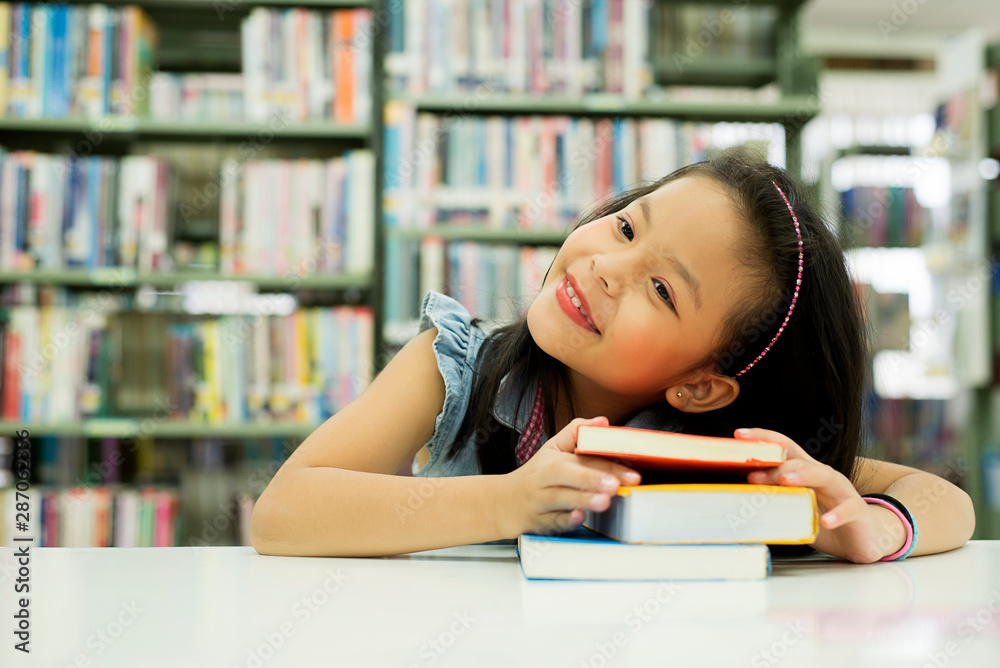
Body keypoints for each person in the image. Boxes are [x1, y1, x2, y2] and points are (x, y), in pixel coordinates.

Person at [250, 149, 975, 562]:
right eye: (627, 229)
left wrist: (878, 526)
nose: (605, 267)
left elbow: (949, 502)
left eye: (660, 289)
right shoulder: (455, 367)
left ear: (700, 387)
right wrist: (508, 501)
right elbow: (283, 514)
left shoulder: (719, 449)